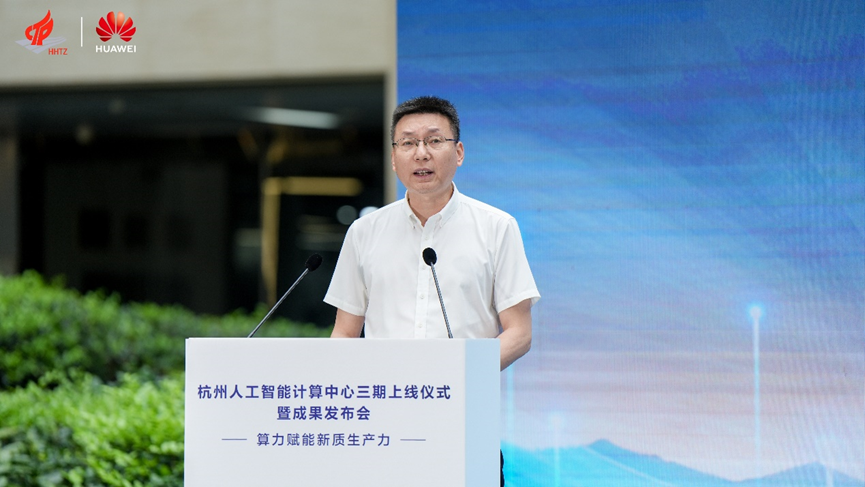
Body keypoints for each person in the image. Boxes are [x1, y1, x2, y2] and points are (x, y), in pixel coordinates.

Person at [324, 95, 540, 485]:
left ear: (458, 152)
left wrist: (455, 377)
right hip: (382, 427)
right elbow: (344, 332)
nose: (421, 153)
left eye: (434, 140)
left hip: (464, 422)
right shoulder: (364, 233)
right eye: (408, 143)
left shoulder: (496, 227)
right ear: (394, 158)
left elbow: (519, 333)